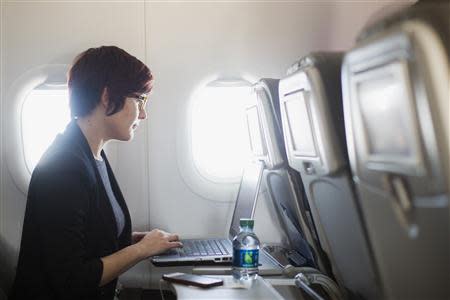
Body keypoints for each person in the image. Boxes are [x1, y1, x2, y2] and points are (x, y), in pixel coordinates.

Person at [10, 46, 183, 300]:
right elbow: (72, 280)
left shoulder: (92, 154)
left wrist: (138, 242)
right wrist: (141, 251)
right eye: (139, 100)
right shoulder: (63, 168)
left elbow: (88, 236)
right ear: (107, 96)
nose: (143, 114)